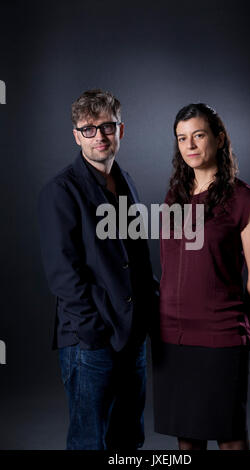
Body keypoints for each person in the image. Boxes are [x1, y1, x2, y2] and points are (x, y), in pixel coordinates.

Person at [38, 89, 158, 450]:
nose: (99, 137)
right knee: (91, 442)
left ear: (121, 131)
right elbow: (63, 275)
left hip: (132, 336)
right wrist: (93, 331)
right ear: (77, 136)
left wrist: (151, 313)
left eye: (107, 127)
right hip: (90, 340)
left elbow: (136, 258)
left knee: (127, 440)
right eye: (88, 129)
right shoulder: (60, 191)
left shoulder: (127, 183)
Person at [152, 103, 250, 450]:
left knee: (230, 438)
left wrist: (235, 327)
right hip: (172, 337)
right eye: (182, 138)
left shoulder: (244, 199)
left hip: (221, 337)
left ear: (218, 139)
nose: (189, 145)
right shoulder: (174, 197)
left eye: (198, 136)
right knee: (187, 439)